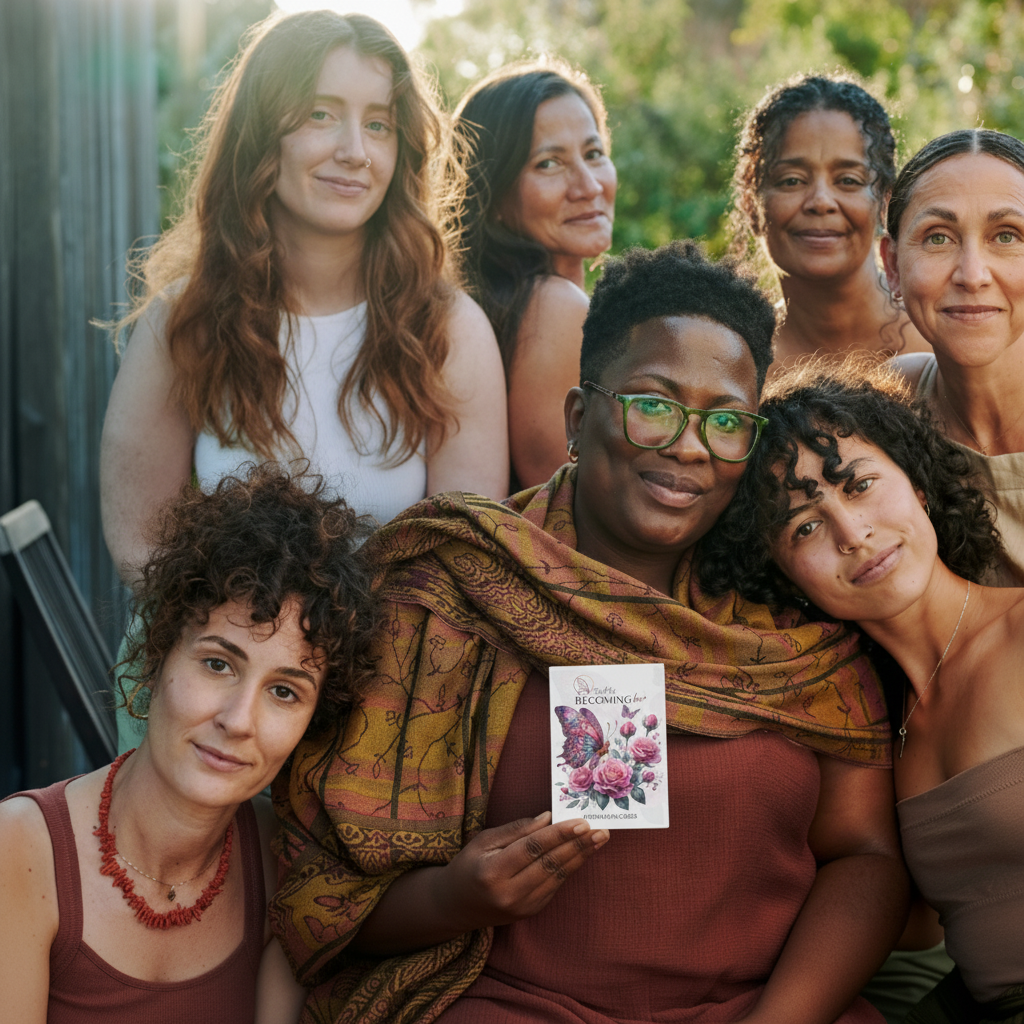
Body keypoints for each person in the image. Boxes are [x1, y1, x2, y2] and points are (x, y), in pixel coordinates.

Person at [269, 242, 908, 1024]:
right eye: (652, 405)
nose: (687, 444)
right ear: (579, 417)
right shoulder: (454, 586)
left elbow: (866, 856)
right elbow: (319, 900)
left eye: (726, 421)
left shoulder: (789, 602)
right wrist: (453, 896)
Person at [100, 9, 508, 586]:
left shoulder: (449, 329)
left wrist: (341, 664)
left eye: (379, 124)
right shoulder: (184, 321)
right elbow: (141, 550)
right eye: (321, 114)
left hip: (396, 667)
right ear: (263, 134)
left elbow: (462, 565)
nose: (354, 151)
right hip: (220, 658)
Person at [698, 360, 1024, 1024]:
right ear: (785, 576)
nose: (852, 533)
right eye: (804, 528)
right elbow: (916, 927)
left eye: (861, 485)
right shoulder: (870, 720)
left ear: (920, 485)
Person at [0, 464, 380, 1024]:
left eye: (284, 691)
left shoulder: (283, 865)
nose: (238, 720)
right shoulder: (21, 852)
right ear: (156, 657)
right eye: (217, 663)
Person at [452, 59, 616, 489]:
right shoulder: (553, 307)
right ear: (494, 194)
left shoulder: (507, 303)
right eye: (549, 163)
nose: (588, 185)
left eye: (594, 154)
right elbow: (563, 507)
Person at [884, 128, 1024, 587]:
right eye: (938, 238)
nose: (972, 274)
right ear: (892, 266)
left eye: (1006, 235)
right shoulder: (889, 410)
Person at [731, 72, 930, 374]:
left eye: (848, 180)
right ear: (751, 205)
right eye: (792, 181)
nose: (821, 201)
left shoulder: (942, 343)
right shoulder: (735, 367)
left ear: (885, 204)